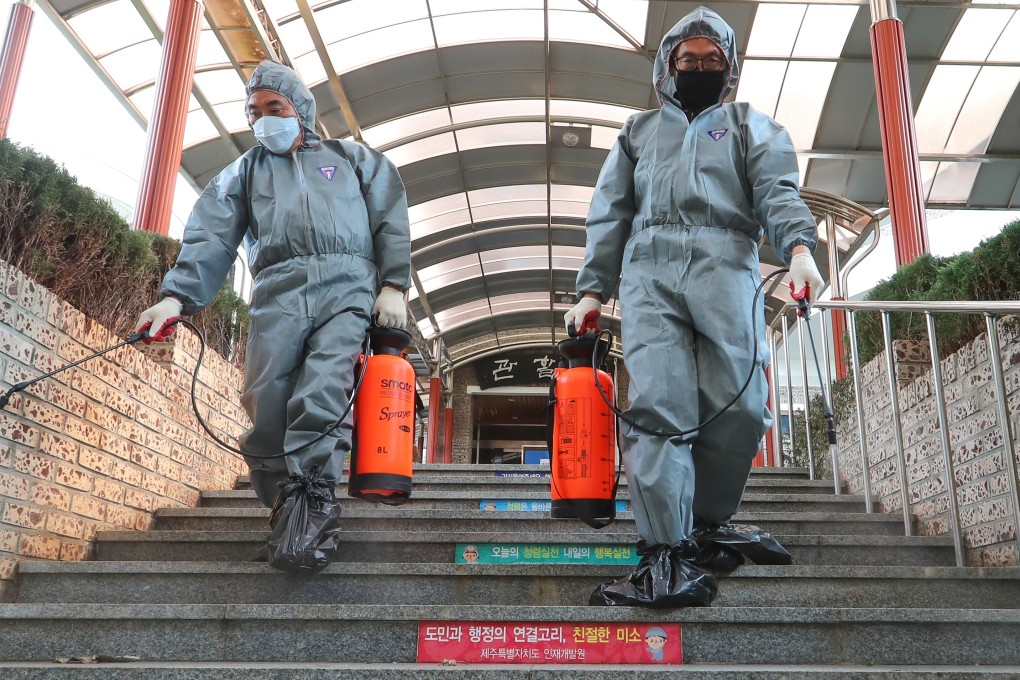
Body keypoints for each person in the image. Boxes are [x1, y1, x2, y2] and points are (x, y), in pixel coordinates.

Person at [564, 6, 823, 608]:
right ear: (667, 67)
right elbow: (610, 213)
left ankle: (707, 519)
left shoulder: (748, 125)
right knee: (660, 405)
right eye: (689, 60)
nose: (700, 68)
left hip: (727, 263)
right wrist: (592, 289)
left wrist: (801, 249)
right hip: (649, 271)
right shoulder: (637, 132)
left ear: (728, 69)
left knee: (741, 404)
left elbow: (777, 190)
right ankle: (664, 552)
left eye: (712, 61)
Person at [136, 61, 411, 566]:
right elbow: (212, 236)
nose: (265, 119)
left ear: (300, 109)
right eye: (256, 112)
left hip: (347, 285)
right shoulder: (244, 173)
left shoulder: (353, 160)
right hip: (277, 290)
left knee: (324, 388)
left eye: (275, 108)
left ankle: (313, 508)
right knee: (264, 401)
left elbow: (390, 218)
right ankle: (286, 504)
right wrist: (176, 296)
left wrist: (393, 284)